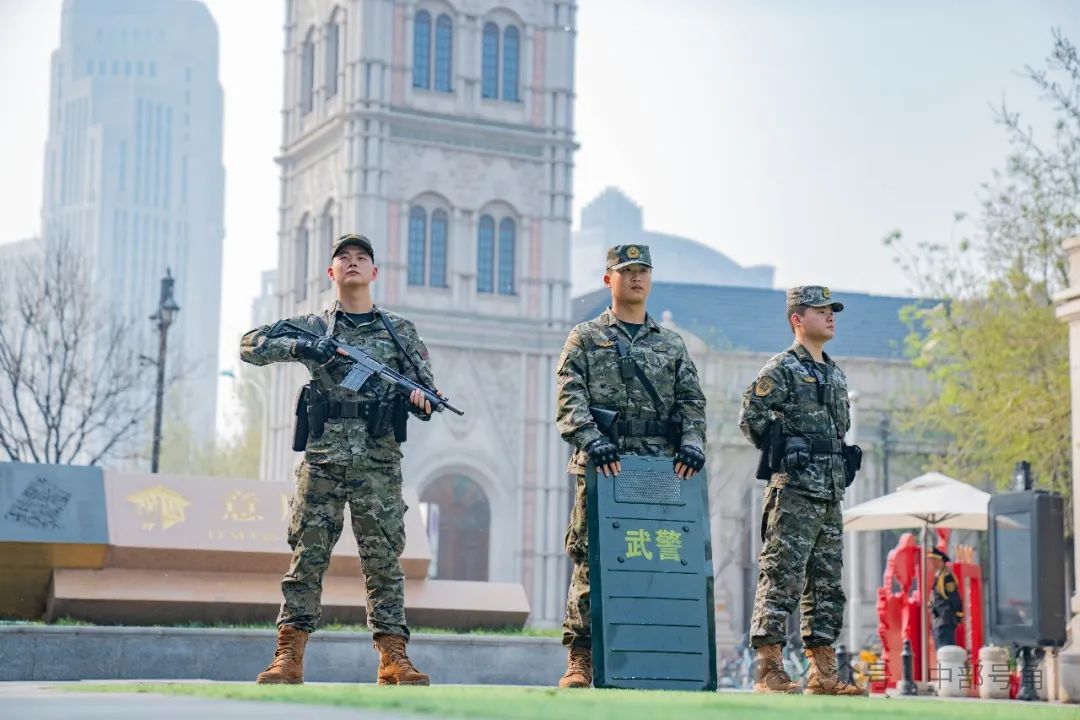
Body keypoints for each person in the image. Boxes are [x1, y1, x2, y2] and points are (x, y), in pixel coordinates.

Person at [241, 233, 437, 686]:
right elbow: (250, 345)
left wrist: (419, 402)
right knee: (307, 558)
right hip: (323, 460)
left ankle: (393, 658)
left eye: (361, 257)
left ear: (374, 272)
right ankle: (288, 656)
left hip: (378, 461)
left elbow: (425, 388)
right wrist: (302, 348)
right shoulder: (314, 326)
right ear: (332, 273)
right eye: (343, 258)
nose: (352, 263)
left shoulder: (399, 332)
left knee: (384, 561)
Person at [554, 244, 707, 688]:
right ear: (609, 280)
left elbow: (692, 403)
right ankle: (580, 656)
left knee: (657, 559)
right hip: (605, 468)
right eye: (627, 271)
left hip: (660, 470)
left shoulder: (671, 344)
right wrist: (592, 440)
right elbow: (569, 398)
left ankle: (649, 654)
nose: (636, 278)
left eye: (643, 271)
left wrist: (693, 443)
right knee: (590, 558)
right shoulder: (584, 337)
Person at [738, 285, 864, 696]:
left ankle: (823, 672)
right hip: (793, 491)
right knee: (781, 577)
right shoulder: (781, 368)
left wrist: (844, 458)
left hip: (828, 493)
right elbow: (751, 417)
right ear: (797, 318)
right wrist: (782, 443)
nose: (831, 317)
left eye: (833, 311)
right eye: (821, 311)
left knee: (827, 583)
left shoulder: (834, 371)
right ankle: (770, 668)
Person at [928, 547, 963, 650]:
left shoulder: (947, 578)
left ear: (940, 561)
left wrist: (958, 614)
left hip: (945, 620)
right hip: (938, 621)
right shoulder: (938, 576)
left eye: (934, 560)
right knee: (941, 653)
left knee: (946, 653)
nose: (932, 563)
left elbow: (954, 598)